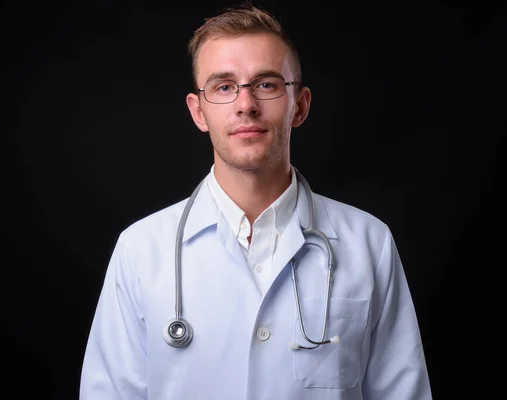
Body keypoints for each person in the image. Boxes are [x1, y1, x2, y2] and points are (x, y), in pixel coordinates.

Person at [79, 3, 432, 399]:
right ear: (199, 112)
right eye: (224, 87)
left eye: (266, 84)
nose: (245, 104)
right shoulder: (140, 250)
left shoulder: (369, 243)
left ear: (300, 105)